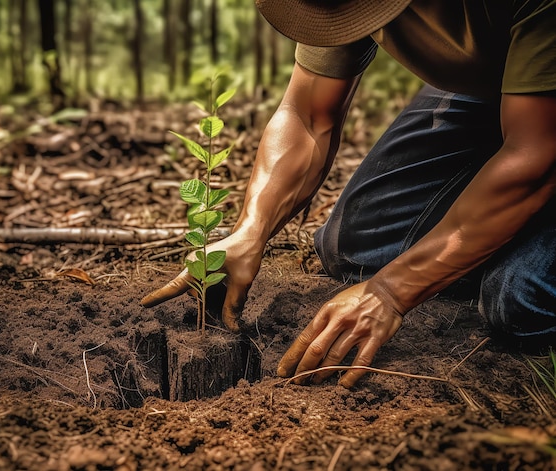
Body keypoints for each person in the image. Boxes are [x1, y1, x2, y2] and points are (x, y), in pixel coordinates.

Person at [142, 0, 556, 388]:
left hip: (541, 113)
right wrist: (250, 231)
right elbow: (306, 115)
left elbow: (533, 156)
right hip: (498, 85)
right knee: (355, 247)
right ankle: (505, 228)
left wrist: (392, 291)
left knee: (520, 300)